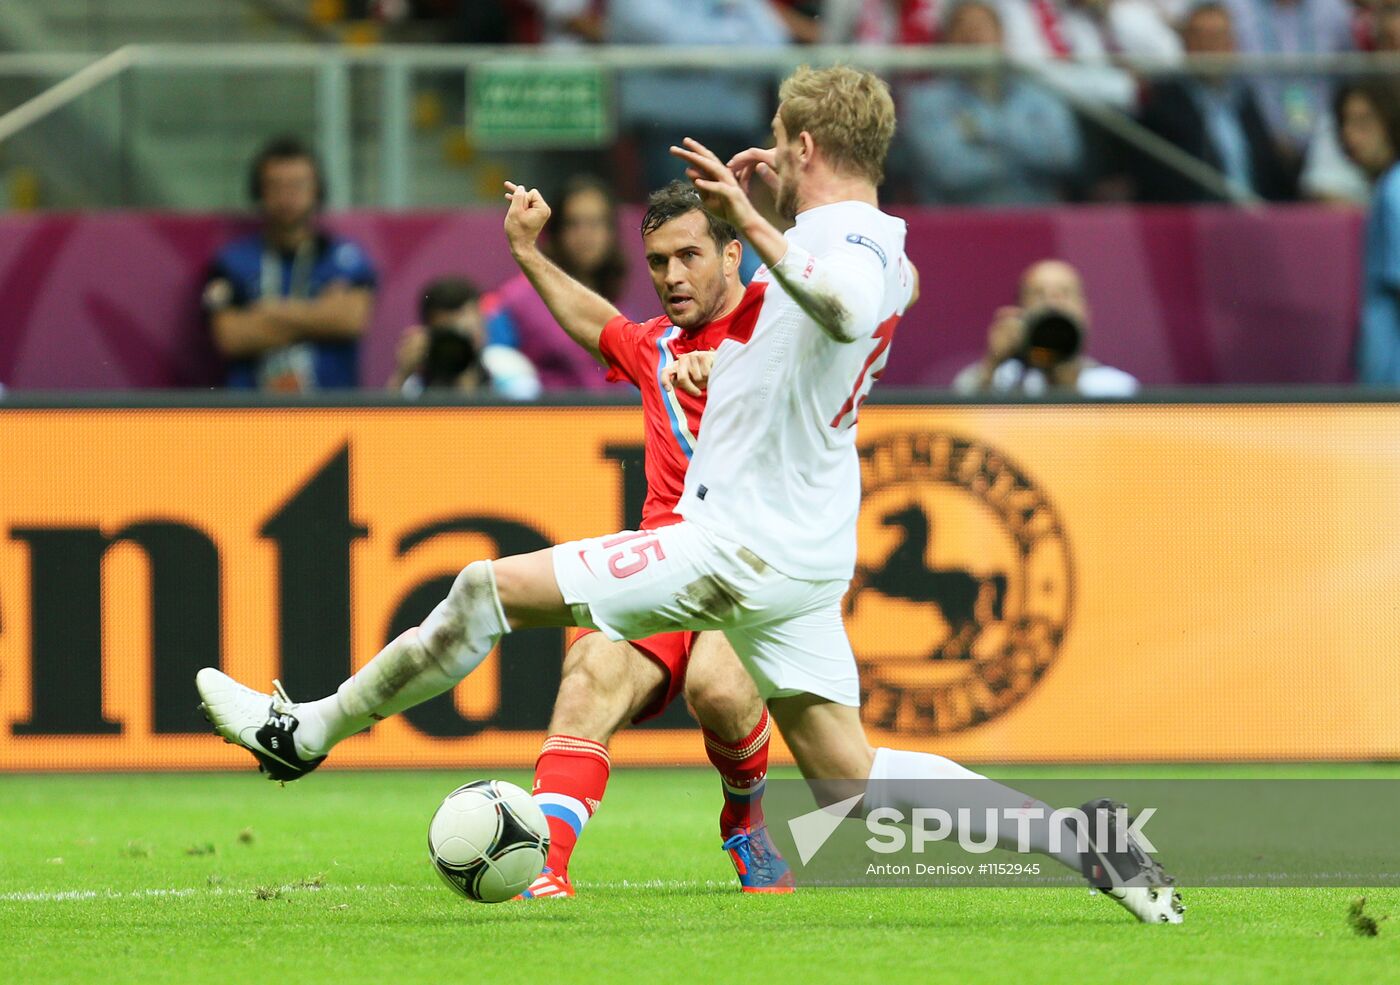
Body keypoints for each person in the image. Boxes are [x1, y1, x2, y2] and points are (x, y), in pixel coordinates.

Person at [197, 65, 1182, 924]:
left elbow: (839, 302)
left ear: (801, 146)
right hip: (799, 552)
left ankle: (305, 730)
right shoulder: (880, 242)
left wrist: (751, 216)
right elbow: (866, 305)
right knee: (851, 777)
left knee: (483, 589)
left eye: (776, 149)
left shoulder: (838, 250)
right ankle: (1083, 840)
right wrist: (744, 364)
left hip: (734, 544)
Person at [506, 180, 791, 898]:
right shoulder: (655, 345)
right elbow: (597, 321)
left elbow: (859, 311)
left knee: (719, 689)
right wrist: (526, 251)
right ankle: (544, 862)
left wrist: (728, 368)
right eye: (658, 261)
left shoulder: (785, 319)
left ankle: (745, 816)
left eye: (689, 255)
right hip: (668, 555)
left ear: (735, 255)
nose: (671, 276)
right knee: (589, 675)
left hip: (758, 555)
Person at [203, 136, 376, 392]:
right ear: (259, 191)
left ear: (316, 190)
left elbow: (350, 320)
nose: (287, 197)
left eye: (297, 185)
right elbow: (231, 338)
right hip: (251, 416)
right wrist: (320, 315)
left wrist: (268, 313)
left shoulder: (347, 258)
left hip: (332, 413)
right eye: (276, 186)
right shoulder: (231, 263)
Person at [902, 0, 1084, 205]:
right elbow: (949, 171)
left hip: (1038, 219)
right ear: (946, 39)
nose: (973, 37)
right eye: (962, 27)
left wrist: (981, 132)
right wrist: (1023, 155)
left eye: (982, 27)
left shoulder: (1039, 91)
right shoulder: (925, 100)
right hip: (959, 223)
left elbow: (1063, 155)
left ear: (1001, 36)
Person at [1134, 2, 1297, 202]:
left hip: (1256, 221)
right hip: (1194, 224)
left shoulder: (1245, 101)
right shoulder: (1162, 103)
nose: (1210, 47)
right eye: (1201, 37)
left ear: (1232, 45)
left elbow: (1269, 175)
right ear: (1186, 44)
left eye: (1219, 37)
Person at [481, 175, 624, 392]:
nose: (586, 234)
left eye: (596, 223)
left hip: (614, 423)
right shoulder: (514, 300)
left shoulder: (616, 301)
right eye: (573, 223)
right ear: (556, 231)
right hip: (545, 422)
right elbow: (493, 363)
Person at [951, 259, 1140, 394]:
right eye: (1038, 294)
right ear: (1020, 310)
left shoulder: (1116, 389)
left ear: (1085, 313)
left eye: (1064, 293)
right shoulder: (999, 381)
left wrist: (1065, 379)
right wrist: (992, 364)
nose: (1052, 304)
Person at [1336, 77, 1400, 384]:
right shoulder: (1386, 190)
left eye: (1364, 121)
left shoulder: (1395, 192)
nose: (1350, 134)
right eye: (1346, 122)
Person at [388, 277, 541, 400]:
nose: (458, 342)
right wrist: (402, 374)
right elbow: (385, 430)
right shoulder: (416, 383)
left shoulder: (508, 368)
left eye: (466, 332)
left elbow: (527, 427)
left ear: (482, 327)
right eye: (449, 333)